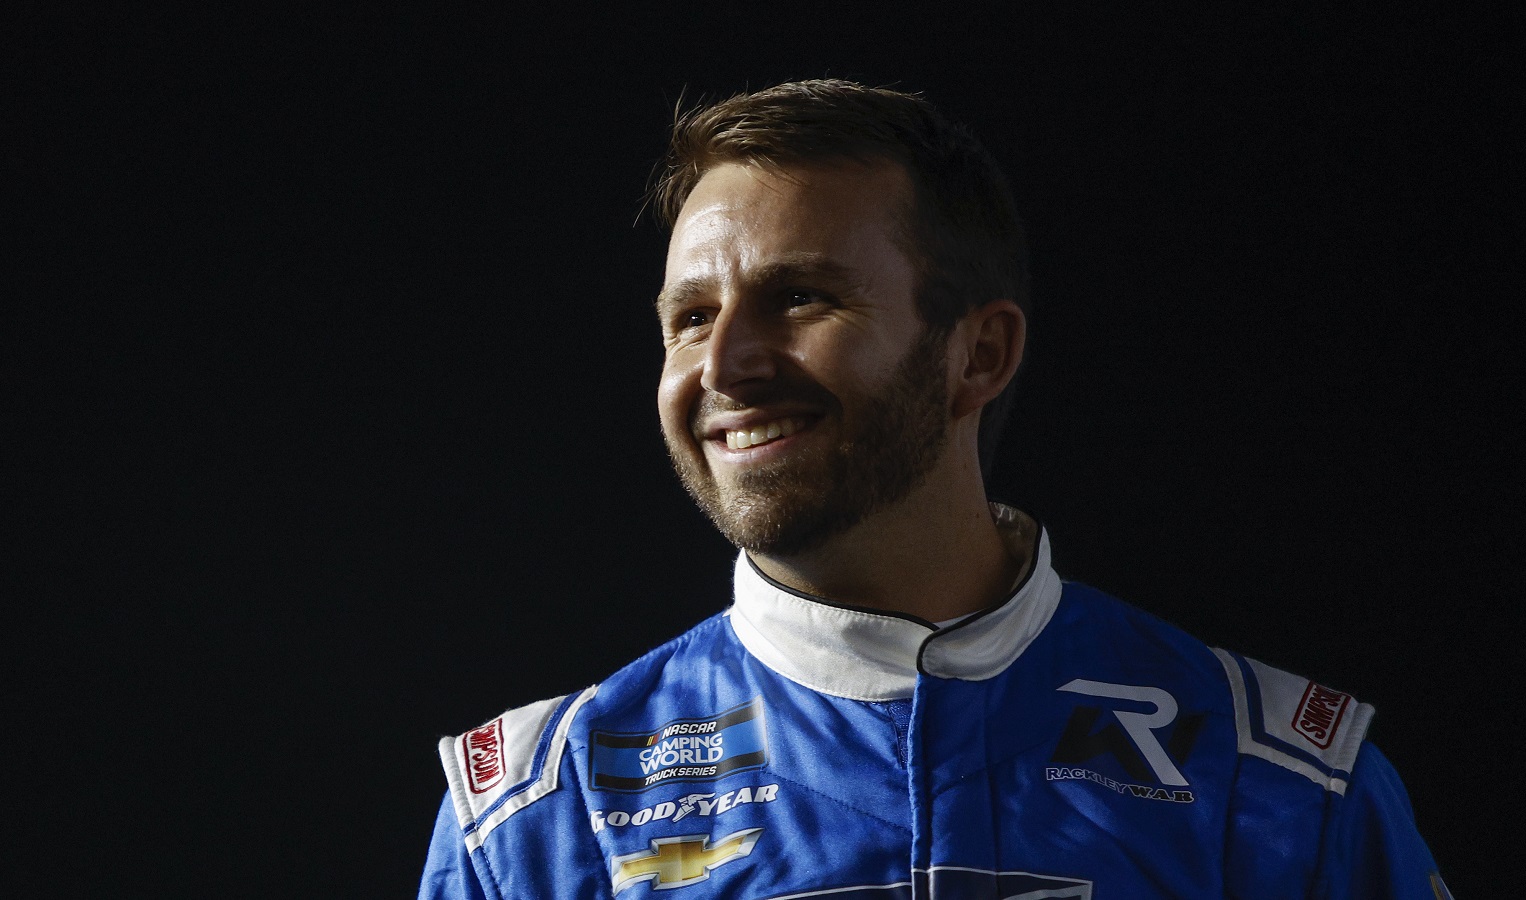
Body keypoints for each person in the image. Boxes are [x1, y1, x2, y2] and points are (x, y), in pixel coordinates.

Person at [419, 79, 1447, 899]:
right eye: (688, 317)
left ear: (979, 354)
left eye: (800, 297)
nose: (724, 363)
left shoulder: (1274, 783)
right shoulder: (546, 813)